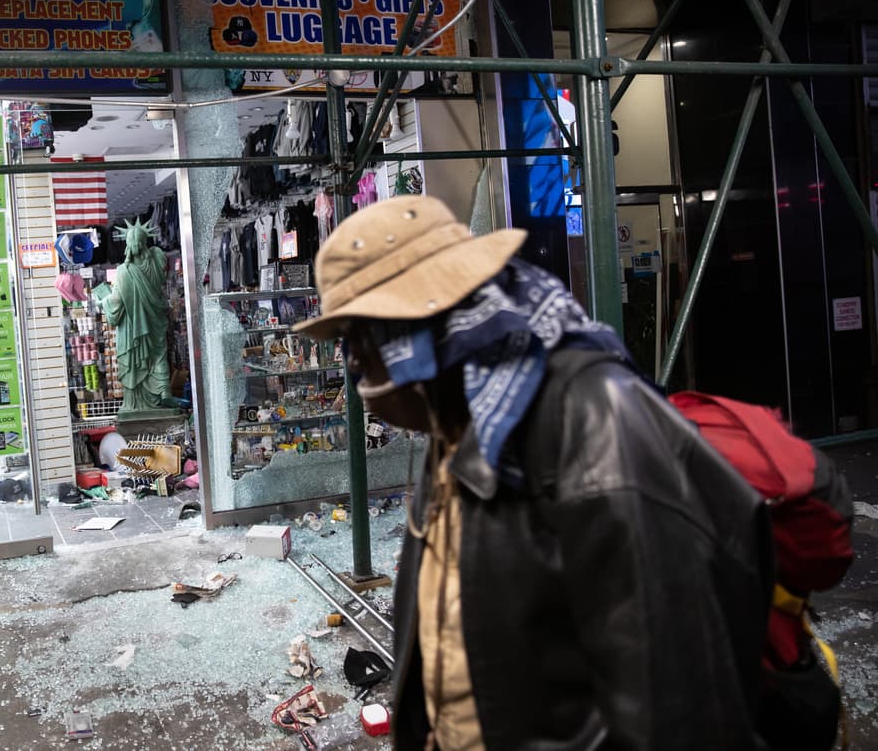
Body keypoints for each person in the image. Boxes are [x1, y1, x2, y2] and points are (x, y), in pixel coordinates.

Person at [293, 197, 773, 750]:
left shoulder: (592, 422)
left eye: (359, 337)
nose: (353, 363)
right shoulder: (457, 421)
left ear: (415, 327)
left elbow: (675, 706)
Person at [92, 217, 172, 417]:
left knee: (138, 360)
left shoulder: (124, 272)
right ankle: (163, 391)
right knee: (157, 356)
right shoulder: (155, 263)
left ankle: (137, 403)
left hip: (131, 329)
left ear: (128, 245)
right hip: (155, 322)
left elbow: (116, 303)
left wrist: (103, 301)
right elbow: (160, 265)